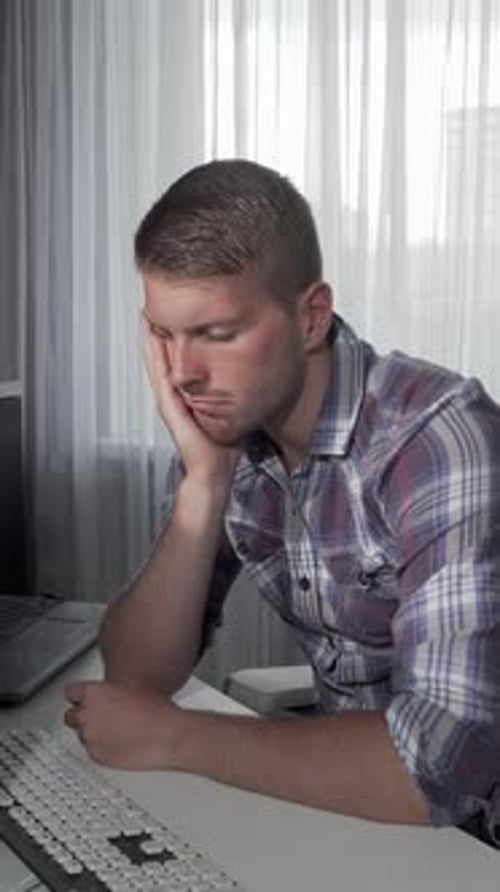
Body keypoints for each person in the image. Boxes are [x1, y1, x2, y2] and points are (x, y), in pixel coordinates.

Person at [65, 159, 500, 841]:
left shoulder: (436, 439)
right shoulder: (231, 430)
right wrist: (202, 484)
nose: (183, 375)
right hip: (365, 822)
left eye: (215, 333)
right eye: (163, 336)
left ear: (310, 316)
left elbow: (437, 767)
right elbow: (137, 676)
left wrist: (177, 737)